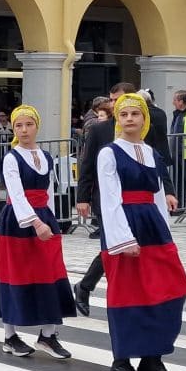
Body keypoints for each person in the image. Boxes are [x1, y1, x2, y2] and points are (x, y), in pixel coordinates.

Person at [98, 94, 186, 371]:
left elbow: (159, 195)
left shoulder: (151, 152)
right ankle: (121, 363)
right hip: (125, 226)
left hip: (153, 226)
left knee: (170, 288)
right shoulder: (109, 153)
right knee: (127, 294)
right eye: (123, 114)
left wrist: (166, 233)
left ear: (144, 118)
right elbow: (110, 198)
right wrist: (124, 239)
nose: (129, 119)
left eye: (135, 114)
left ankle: (152, 357)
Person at [74, 83, 178, 315]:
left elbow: (158, 165)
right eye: (113, 102)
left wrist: (168, 191)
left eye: (119, 100)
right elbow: (88, 163)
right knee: (113, 245)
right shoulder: (100, 131)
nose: (115, 105)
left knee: (137, 252)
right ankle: (90, 288)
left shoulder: (145, 129)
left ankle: (86, 285)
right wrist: (83, 197)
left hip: (143, 204)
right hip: (107, 198)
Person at [0, 105, 75, 359]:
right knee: (14, 274)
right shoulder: (11, 158)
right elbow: (15, 194)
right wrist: (36, 223)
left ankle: (48, 335)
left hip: (43, 218)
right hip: (17, 221)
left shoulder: (46, 157)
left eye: (28, 125)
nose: (24, 130)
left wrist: (52, 221)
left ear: (37, 126)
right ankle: (9, 335)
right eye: (18, 126)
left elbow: (47, 193)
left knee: (51, 273)